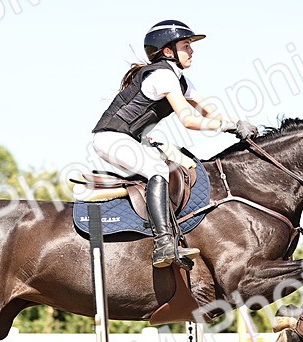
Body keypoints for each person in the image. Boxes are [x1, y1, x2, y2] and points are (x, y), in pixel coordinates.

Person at [92, 20, 257, 267]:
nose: (192, 50)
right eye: (186, 45)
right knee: (158, 170)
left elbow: (209, 113)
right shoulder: (162, 76)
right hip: (111, 138)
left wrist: (238, 124)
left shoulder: (181, 81)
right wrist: (228, 126)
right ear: (168, 51)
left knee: (181, 166)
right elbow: (189, 120)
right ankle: (163, 244)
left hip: (130, 139)